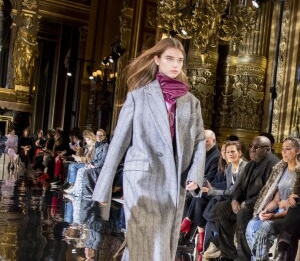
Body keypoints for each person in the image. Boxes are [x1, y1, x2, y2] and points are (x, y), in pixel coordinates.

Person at [92, 37, 206, 261]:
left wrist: (196, 175)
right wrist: (104, 186)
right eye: (169, 58)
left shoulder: (191, 101)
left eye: (180, 60)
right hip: (142, 179)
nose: (175, 65)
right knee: (142, 237)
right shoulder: (139, 96)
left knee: (161, 241)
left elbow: (200, 140)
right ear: (157, 60)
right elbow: (119, 143)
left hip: (174, 179)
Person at [214, 136, 280, 261]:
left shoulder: (273, 164)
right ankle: (228, 253)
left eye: (257, 147)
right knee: (220, 209)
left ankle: (244, 257)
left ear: (268, 149)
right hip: (246, 202)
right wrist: (234, 200)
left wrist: (245, 203)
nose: (252, 149)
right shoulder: (252, 163)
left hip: (259, 205)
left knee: (243, 213)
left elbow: (267, 194)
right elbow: (239, 187)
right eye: (251, 146)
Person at [246, 137, 300, 261]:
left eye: (288, 149)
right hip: (278, 211)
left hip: (290, 215)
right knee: (252, 224)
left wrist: (274, 216)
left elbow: (295, 208)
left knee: (265, 228)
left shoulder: (299, 172)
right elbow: (276, 199)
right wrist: (266, 211)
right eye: (282, 149)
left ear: (297, 151)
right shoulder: (281, 169)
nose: (284, 152)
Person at [202, 140, 248, 259]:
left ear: (240, 153)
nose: (230, 154)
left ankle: (223, 248)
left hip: (245, 200)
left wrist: (212, 191)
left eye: (233, 151)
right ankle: (227, 251)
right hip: (234, 199)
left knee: (219, 209)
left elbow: (234, 190)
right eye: (227, 152)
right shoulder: (228, 168)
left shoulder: (245, 167)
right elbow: (229, 190)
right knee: (218, 210)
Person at [180, 129, 220, 253]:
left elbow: (211, 177)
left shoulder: (216, 155)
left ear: (214, 141)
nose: (204, 144)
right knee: (183, 195)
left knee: (192, 197)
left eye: (207, 141)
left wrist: (195, 183)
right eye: (202, 141)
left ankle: (187, 228)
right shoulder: (201, 152)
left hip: (208, 187)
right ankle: (185, 228)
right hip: (197, 185)